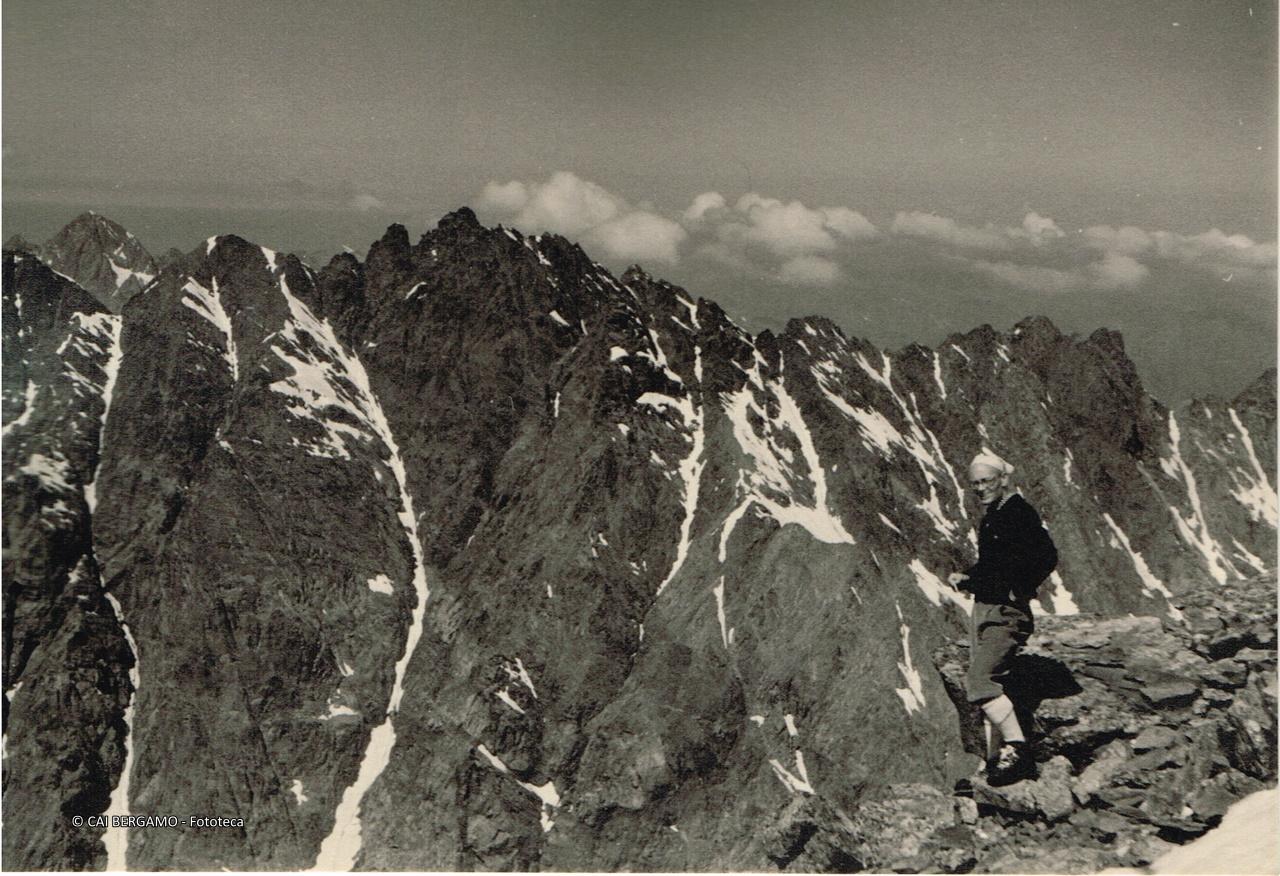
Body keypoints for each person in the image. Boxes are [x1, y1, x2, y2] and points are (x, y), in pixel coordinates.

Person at [948, 451, 1057, 786]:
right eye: (975, 484)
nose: (980, 488)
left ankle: (1019, 752)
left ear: (1003, 479)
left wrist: (1017, 589)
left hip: (1004, 612)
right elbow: (995, 564)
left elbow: (1047, 555)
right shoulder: (995, 515)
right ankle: (995, 760)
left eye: (986, 481)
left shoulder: (1018, 512)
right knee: (993, 685)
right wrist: (969, 577)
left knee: (980, 681)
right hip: (987, 607)